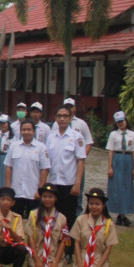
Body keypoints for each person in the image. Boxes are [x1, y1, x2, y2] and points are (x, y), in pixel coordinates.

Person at [46, 104, 86, 258]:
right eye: (59, 116)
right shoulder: (51, 137)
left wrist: (77, 184)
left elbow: (80, 161)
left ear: (70, 118)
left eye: (65, 116)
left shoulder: (76, 137)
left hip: (69, 184)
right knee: (54, 218)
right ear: (55, 118)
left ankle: (68, 249)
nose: (62, 119)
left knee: (68, 218)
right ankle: (54, 246)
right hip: (54, 184)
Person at [68, 188, 118, 267]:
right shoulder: (81, 220)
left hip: (98, 260)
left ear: (103, 205)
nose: (94, 207)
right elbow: (76, 244)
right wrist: (80, 266)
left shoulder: (108, 224)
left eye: (97, 204)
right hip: (82, 258)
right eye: (91, 203)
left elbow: (108, 249)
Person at [25, 183, 70, 267]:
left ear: (55, 199)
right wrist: (37, 261)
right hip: (38, 256)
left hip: (53, 257)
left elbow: (63, 242)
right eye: (45, 196)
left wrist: (55, 263)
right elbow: (30, 239)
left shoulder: (61, 218)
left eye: (50, 197)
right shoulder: (33, 215)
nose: (47, 200)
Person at [4, 120, 51, 218]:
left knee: (33, 222)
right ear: (20, 131)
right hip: (16, 192)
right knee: (15, 221)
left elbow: (44, 170)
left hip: (33, 193)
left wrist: (40, 190)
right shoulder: (14, 146)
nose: (26, 132)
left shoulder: (41, 148)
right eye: (24, 130)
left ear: (34, 132)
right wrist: (8, 188)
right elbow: (8, 167)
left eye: (29, 129)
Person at [106, 111, 134, 226]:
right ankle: (118, 213)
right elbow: (111, 152)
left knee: (127, 186)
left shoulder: (133, 135)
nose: (121, 124)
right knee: (116, 186)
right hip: (117, 159)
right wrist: (110, 167)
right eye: (118, 122)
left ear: (126, 121)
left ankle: (124, 213)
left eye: (122, 121)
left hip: (127, 159)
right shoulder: (113, 134)